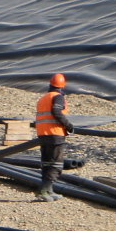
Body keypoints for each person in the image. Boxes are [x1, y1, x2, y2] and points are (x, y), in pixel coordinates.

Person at [33, 72, 79, 201]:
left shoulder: (43, 98)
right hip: (55, 134)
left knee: (46, 164)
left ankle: (49, 190)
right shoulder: (58, 97)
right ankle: (42, 192)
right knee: (56, 165)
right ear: (62, 86)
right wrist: (68, 125)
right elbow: (56, 111)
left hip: (43, 134)